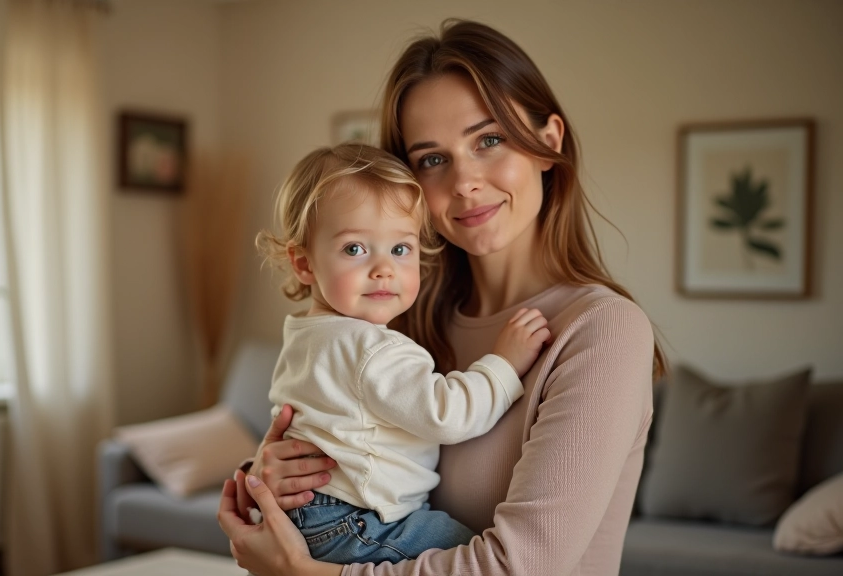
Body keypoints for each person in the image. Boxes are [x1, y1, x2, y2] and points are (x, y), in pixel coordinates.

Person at [219, 18, 664, 576]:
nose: (464, 181)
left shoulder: (602, 331)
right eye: (432, 159)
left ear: (549, 144)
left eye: (489, 140)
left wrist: (307, 574)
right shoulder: (397, 321)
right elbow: (347, 451)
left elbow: (520, 569)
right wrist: (274, 474)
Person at [252, 143, 550, 564]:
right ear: (303, 263)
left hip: (308, 513)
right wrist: (504, 364)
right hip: (358, 520)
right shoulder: (372, 348)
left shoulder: (305, 335)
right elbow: (446, 413)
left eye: (400, 249)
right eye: (355, 249)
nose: (383, 268)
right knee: (468, 553)